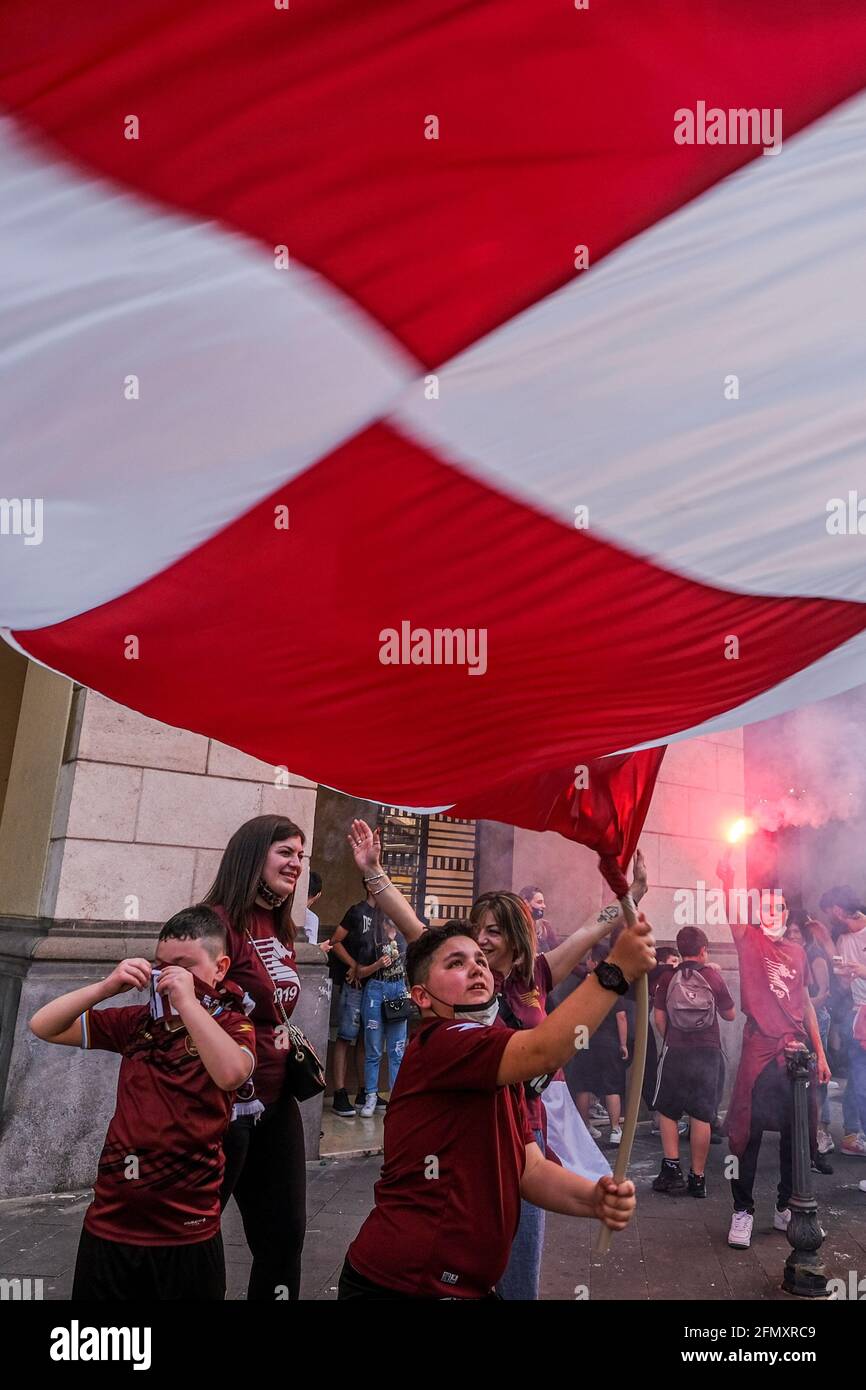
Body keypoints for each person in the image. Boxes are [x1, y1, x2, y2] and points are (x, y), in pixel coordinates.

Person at [338, 914, 656, 1300]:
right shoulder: (442, 1041)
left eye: (480, 962)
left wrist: (594, 1199)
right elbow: (545, 1049)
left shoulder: (497, 1055)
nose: (475, 968)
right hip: (404, 1284)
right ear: (421, 997)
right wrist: (615, 971)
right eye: (455, 963)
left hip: (463, 1284)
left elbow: (531, 1168)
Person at [29, 906, 256, 1300]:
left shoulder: (232, 1025)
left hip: (187, 1230)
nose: (168, 977)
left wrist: (188, 1004)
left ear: (220, 968)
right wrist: (105, 988)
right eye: (162, 966)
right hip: (112, 1222)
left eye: (184, 967)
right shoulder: (138, 1023)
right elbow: (43, 1025)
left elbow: (231, 1073)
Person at [472, 852, 648, 1300]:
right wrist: (376, 874)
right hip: (475, 1135)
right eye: (477, 930)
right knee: (465, 1267)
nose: (481, 940)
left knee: (520, 1272)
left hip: (529, 1133)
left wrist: (631, 895)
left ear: (515, 935)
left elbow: (593, 927)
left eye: (493, 930)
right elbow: (417, 937)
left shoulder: (537, 975)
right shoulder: (461, 981)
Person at [203, 814, 308, 1301]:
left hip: (277, 1100)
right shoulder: (213, 924)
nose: (296, 863)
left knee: (284, 1235)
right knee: (196, 1230)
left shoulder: (282, 926)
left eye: (301, 855)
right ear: (252, 855)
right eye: (285, 852)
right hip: (223, 1106)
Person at [717, 864, 831, 1251]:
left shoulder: (798, 952)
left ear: (784, 914)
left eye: (778, 908)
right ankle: (743, 1211)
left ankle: (786, 1206)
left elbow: (804, 1004)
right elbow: (733, 916)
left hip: (795, 1055)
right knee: (747, 1133)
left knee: (794, 1135)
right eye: (765, 906)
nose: (772, 913)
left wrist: (820, 1051)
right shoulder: (750, 940)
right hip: (760, 1050)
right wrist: (728, 880)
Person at [650, 926, 735, 1198]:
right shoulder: (712, 976)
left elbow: (658, 1018)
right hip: (708, 1053)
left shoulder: (667, 977)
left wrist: (672, 1038)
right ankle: (698, 1179)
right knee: (702, 1114)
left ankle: (672, 1170)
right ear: (703, 950)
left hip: (676, 1051)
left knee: (667, 1110)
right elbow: (731, 1014)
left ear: (680, 949)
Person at [328, 881, 385, 1117]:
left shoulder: (384, 916)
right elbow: (335, 941)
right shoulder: (357, 911)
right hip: (354, 984)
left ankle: (365, 1089)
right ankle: (340, 1091)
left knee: (365, 1036)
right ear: (370, 888)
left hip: (374, 985)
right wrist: (354, 965)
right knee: (345, 1036)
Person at [820, 886, 866, 1156]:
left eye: (831, 913)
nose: (831, 919)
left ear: (838, 910)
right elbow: (843, 980)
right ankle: (853, 1132)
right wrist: (844, 975)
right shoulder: (842, 939)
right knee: (858, 1076)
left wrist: (862, 970)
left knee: (861, 1078)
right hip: (858, 1012)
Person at [358, 914, 410, 1117]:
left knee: (397, 1051)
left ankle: (396, 1099)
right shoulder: (372, 938)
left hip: (398, 991)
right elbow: (360, 971)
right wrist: (378, 965)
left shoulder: (405, 939)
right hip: (375, 991)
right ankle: (371, 1095)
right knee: (373, 1049)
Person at [518, 885, 558, 953]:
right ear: (526, 903)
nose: (544, 906)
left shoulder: (545, 926)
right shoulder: (515, 927)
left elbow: (557, 953)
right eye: (539, 902)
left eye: (543, 902)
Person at [303, 870, 323, 945]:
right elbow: (310, 952)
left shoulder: (284, 909)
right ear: (318, 895)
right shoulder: (311, 918)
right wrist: (321, 948)